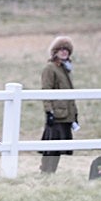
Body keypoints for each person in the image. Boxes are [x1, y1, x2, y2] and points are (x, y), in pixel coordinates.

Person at [40, 36, 78, 174]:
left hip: (66, 114)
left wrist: (74, 113)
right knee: (51, 147)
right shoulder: (50, 68)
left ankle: (51, 172)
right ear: (55, 51)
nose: (64, 52)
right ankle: (46, 172)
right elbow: (46, 91)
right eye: (61, 49)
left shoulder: (65, 69)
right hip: (57, 114)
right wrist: (49, 111)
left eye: (66, 49)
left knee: (59, 147)